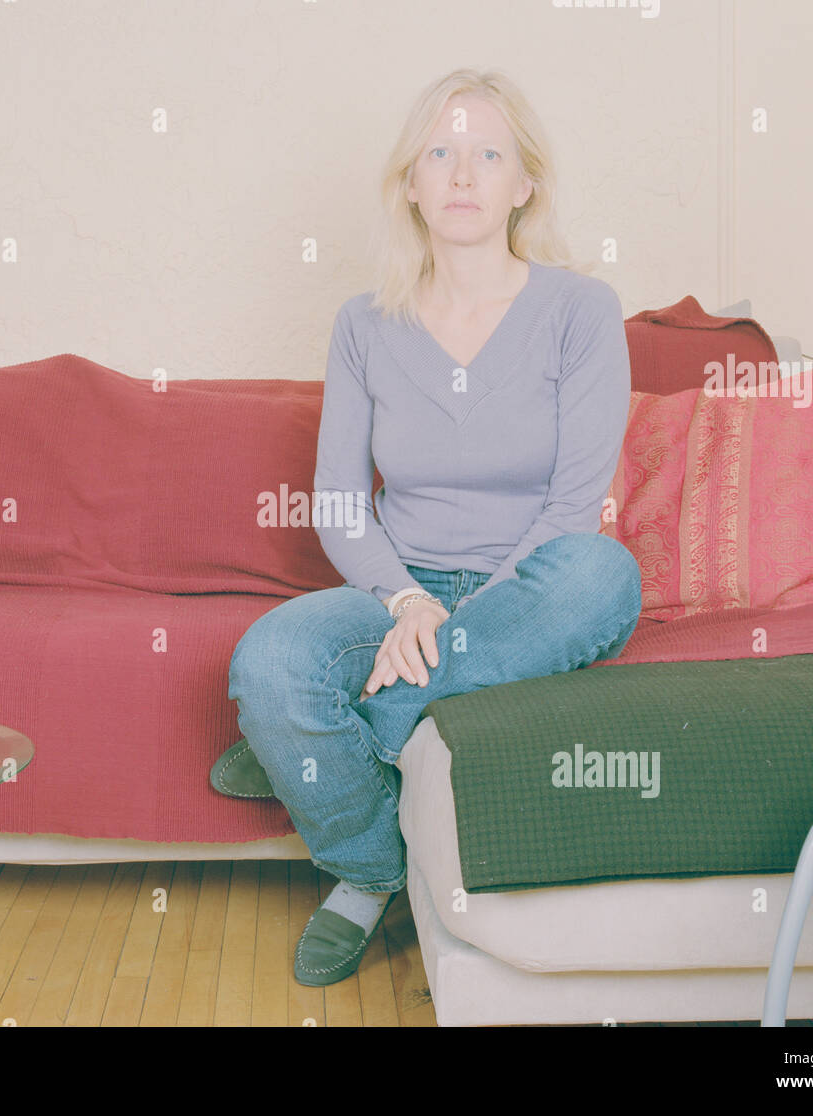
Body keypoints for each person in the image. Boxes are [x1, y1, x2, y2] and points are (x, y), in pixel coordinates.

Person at [218, 69, 642, 987]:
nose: (462, 174)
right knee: (273, 661)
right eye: (439, 154)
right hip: (398, 592)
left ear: (523, 183)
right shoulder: (364, 325)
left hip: (530, 595)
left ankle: (339, 740)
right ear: (409, 183)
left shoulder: (581, 310)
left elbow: (572, 510)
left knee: (602, 573)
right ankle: (370, 868)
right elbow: (339, 501)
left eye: (487, 154)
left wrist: (454, 625)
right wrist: (406, 599)